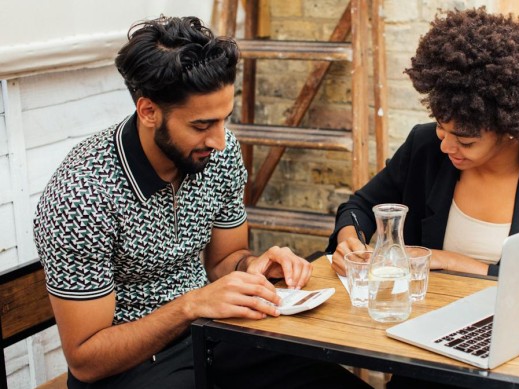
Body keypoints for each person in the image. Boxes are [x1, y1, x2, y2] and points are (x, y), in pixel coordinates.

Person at [33, 16, 369, 389]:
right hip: (130, 368)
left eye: (224, 119)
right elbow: (86, 360)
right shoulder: (82, 194)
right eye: (201, 125)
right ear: (148, 112)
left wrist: (255, 266)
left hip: (215, 336)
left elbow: (225, 261)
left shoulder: (220, 155)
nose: (220, 141)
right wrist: (191, 305)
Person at [327, 8, 519, 280]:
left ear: (510, 130)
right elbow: (359, 207)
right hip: (425, 312)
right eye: (442, 129)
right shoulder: (425, 146)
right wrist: (349, 240)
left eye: (465, 141)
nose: (446, 147)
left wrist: (447, 260)